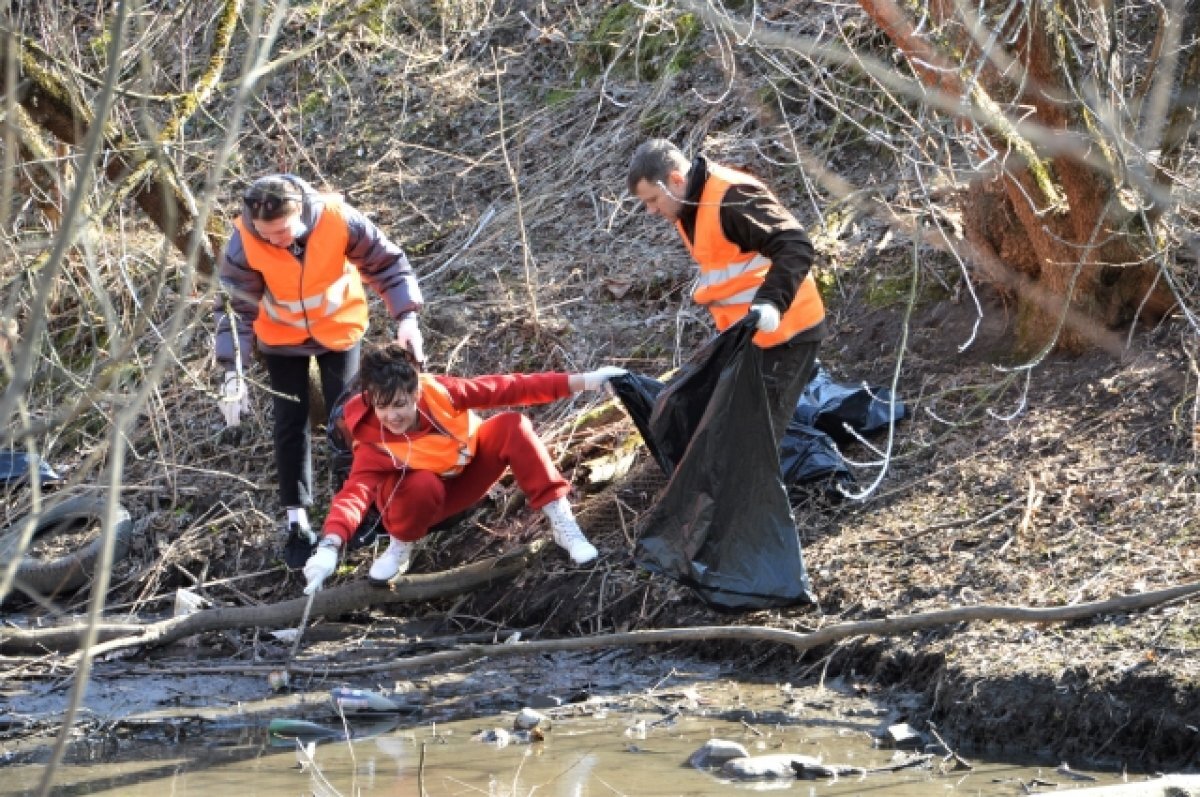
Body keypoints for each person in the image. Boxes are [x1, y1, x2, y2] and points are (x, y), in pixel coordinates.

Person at [213, 174, 425, 565]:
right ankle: (298, 523)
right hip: (280, 341)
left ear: (302, 214)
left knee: (349, 420)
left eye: (282, 231)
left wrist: (407, 317)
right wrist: (232, 372)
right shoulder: (243, 239)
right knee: (290, 423)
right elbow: (234, 309)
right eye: (266, 234)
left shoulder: (338, 219)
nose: (275, 240)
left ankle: (358, 509)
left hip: (339, 331)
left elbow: (388, 264)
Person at [301, 342, 626, 594]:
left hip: (464, 477)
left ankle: (562, 522)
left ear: (416, 392)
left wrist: (588, 381)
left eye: (400, 404)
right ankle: (401, 549)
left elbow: (511, 387)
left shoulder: (442, 394)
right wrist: (329, 547)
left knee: (513, 425)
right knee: (422, 484)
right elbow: (353, 495)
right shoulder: (372, 442)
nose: (392, 416)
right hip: (416, 503)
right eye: (383, 407)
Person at [626, 139, 827, 443]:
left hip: (788, 331)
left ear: (676, 180)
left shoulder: (731, 196)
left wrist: (772, 302)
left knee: (761, 437)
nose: (651, 210)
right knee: (744, 430)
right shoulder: (689, 209)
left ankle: (806, 484)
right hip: (749, 337)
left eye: (653, 199)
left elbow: (795, 245)